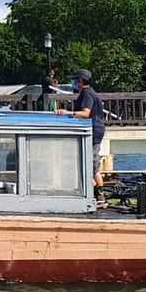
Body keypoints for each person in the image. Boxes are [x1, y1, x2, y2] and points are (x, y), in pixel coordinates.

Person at [57, 68, 106, 196]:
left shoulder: (87, 93)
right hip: (94, 130)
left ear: (80, 80)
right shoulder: (88, 93)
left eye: (74, 80)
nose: (73, 83)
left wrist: (67, 113)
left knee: (92, 165)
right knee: (87, 162)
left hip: (93, 132)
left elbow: (85, 113)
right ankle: (90, 192)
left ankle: (100, 195)